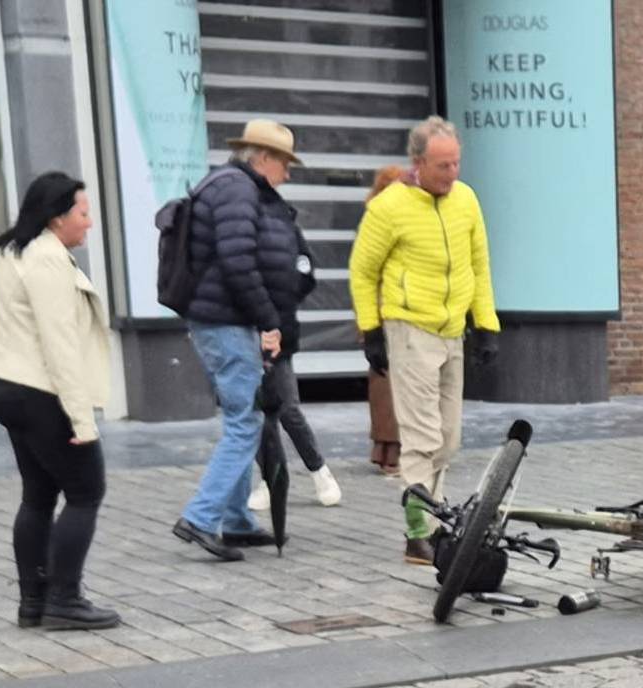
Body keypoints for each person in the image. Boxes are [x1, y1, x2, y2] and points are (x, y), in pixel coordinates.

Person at [349, 116, 501, 564]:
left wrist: (486, 324)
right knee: (422, 439)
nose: (452, 174)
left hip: (453, 329)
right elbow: (363, 271)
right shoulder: (389, 207)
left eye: (456, 163)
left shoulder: (466, 200)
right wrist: (371, 330)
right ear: (417, 163)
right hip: (409, 327)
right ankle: (418, 534)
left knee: (449, 440)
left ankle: (433, 521)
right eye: (442, 166)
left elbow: (479, 263)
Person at [0, 171, 119, 630]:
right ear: (58, 218)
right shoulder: (47, 260)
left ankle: (33, 601)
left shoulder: (11, 251)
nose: (89, 223)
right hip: (40, 390)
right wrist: (82, 421)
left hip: (6, 386)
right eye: (83, 212)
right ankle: (64, 599)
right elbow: (60, 347)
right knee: (85, 491)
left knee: (38, 495)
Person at [172, 119, 317, 560]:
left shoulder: (232, 186)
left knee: (241, 416)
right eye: (285, 164)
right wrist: (267, 320)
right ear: (264, 158)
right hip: (227, 323)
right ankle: (200, 518)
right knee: (245, 423)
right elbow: (239, 263)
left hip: (224, 321)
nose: (287, 175)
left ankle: (235, 521)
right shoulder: (236, 190)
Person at [245, 224, 343, 512]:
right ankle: (268, 480)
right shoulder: (239, 228)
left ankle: (319, 471)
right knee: (256, 412)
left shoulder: (281, 223)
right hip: (244, 332)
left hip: (279, 329)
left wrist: (280, 302)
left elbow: (305, 271)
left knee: (288, 408)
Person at [362, 165, 407, 476]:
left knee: (386, 386)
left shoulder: (376, 216)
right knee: (391, 386)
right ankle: (392, 452)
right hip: (388, 311)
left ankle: (387, 450)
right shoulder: (384, 219)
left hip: (384, 311)